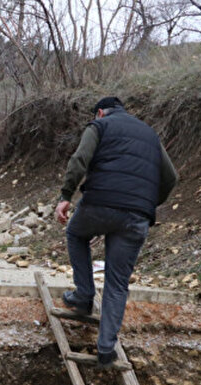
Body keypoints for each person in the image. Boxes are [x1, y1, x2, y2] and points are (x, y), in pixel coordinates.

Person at [55, 96, 178, 367]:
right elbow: (171, 178)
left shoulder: (100, 126)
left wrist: (65, 196)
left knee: (76, 234)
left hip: (100, 203)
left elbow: (80, 160)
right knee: (117, 281)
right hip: (138, 216)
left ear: (100, 112)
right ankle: (106, 350)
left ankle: (84, 296)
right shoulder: (149, 134)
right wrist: (145, 202)